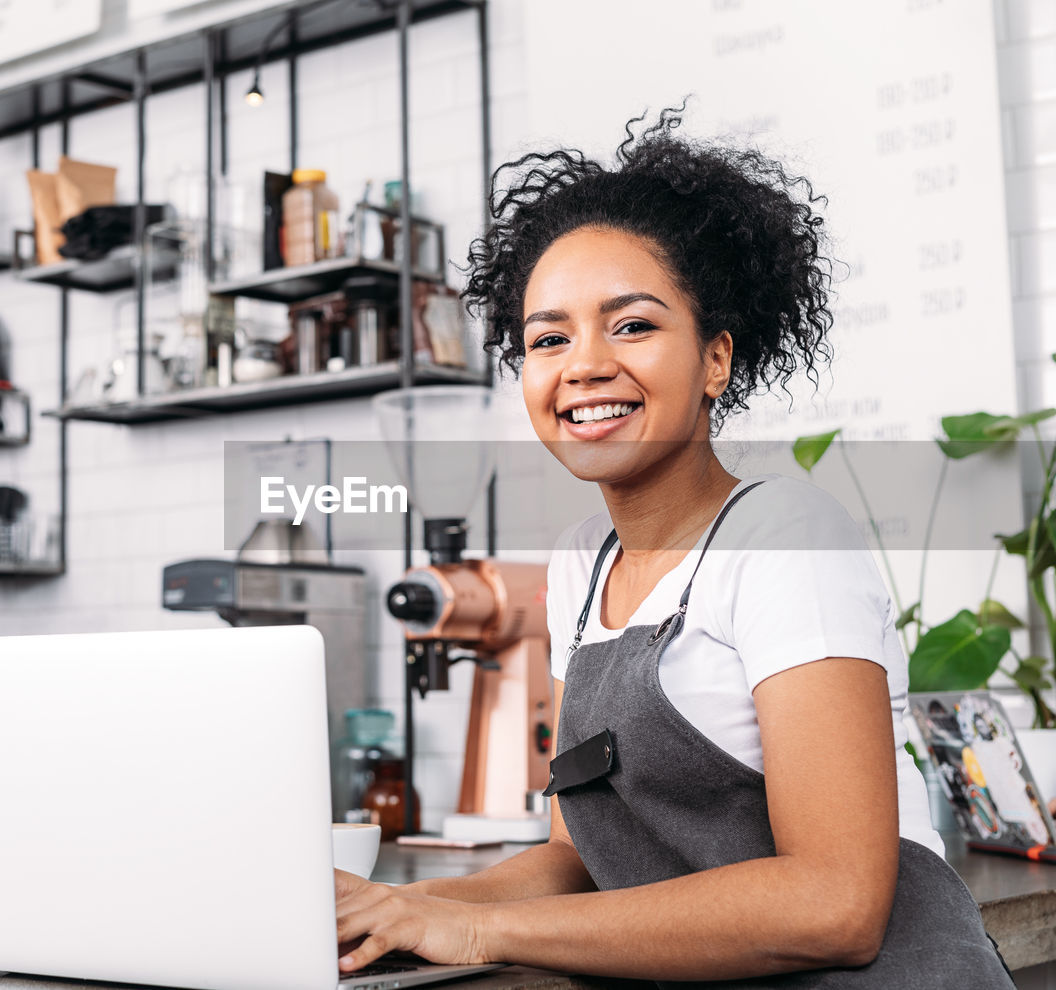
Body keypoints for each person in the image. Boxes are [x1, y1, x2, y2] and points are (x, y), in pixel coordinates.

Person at [335, 107, 1016, 987]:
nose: (582, 365)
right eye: (549, 339)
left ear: (715, 361)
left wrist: (481, 934)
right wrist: (409, 907)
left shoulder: (783, 540)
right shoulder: (583, 565)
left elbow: (834, 905)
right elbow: (578, 860)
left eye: (632, 325)